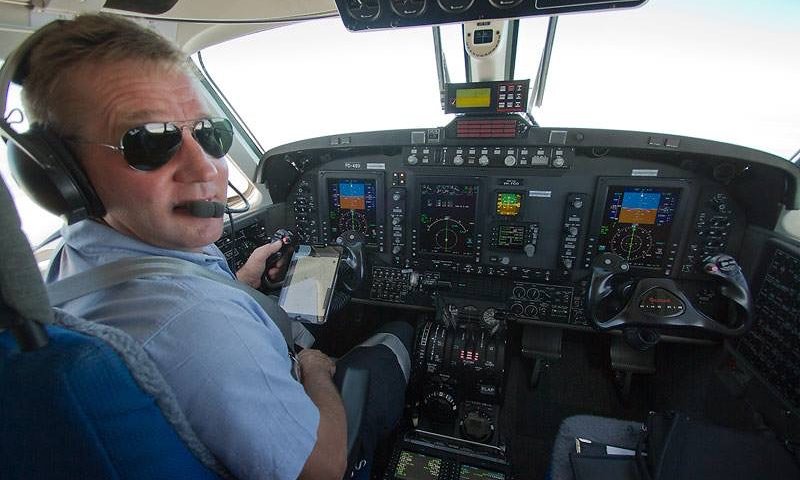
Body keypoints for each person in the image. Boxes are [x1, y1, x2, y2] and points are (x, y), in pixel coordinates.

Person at [13, 13, 410, 480]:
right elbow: (321, 469)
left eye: (209, 134)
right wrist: (317, 371)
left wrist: (240, 283)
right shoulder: (201, 323)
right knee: (399, 334)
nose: (207, 170)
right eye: (150, 141)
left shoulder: (75, 255)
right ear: (63, 178)